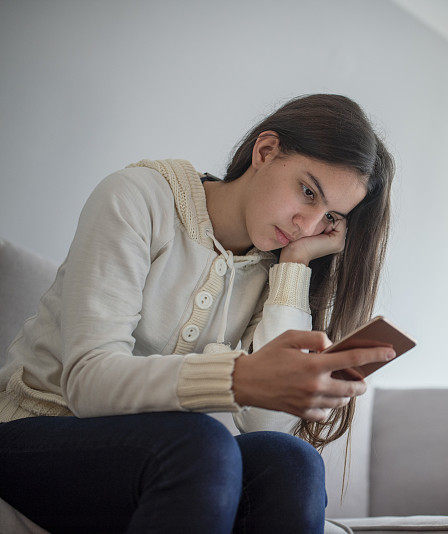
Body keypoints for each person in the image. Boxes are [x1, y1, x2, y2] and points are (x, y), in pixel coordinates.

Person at [0, 93, 396, 533]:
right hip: (32, 436)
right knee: (202, 445)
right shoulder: (138, 197)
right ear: (265, 151)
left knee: (292, 461)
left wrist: (294, 266)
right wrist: (238, 377)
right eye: (307, 192)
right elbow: (86, 382)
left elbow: (265, 427)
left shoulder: (272, 265)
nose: (307, 223)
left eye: (328, 216)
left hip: (153, 458)